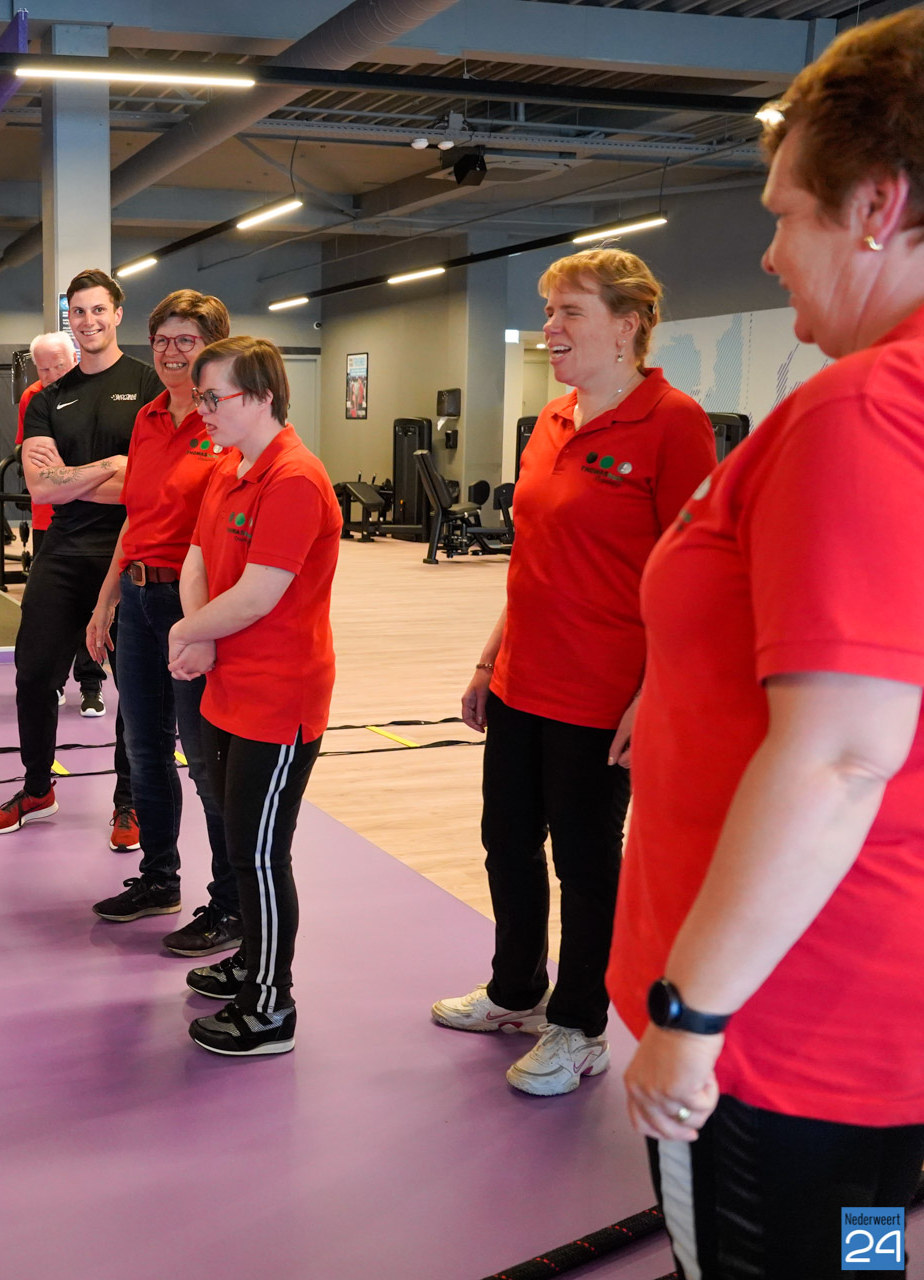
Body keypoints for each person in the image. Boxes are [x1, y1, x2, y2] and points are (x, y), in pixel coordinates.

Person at [611, 13, 924, 1273]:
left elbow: (844, 753)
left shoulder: (866, 409)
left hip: (781, 1030)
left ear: (877, 208)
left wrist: (692, 1013)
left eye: (788, 213)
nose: (769, 249)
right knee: (864, 1252)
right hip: (873, 1026)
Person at [431, 248, 716, 1097]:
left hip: (602, 695)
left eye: (569, 312)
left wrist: (654, 696)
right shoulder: (553, 419)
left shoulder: (673, 422)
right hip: (522, 680)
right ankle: (516, 991)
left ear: (627, 326)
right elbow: (536, 559)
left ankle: (581, 1027)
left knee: (586, 867)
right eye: (549, 310)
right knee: (507, 844)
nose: (549, 327)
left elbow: (697, 580)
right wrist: (490, 657)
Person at [167, 337, 340, 1056]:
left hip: (278, 697)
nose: (202, 410)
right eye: (200, 397)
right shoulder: (228, 467)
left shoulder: (295, 479)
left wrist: (189, 631)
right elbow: (198, 560)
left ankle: (271, 1006)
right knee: (240, 845)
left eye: (215, 397)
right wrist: (203, 637)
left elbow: (260, 594)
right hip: (227, 687)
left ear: (264, 396)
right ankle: (250, 963)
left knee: (261, 854)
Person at [84, 290, 240, 954]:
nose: (171, 353)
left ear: (212, 348)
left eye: (186, 341)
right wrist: (106, 600)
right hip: (140, 599)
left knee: (204, 762)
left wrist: (202, 623)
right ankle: (158, 879)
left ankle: (230, 905)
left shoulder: (225, 422)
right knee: (144, 750)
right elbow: (136, 518)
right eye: (162, 341)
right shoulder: (147, 418)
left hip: (192, 605)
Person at [0, 269, 160, 844]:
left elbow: (150, 486)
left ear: (118, 314)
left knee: (135, 685)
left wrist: (75, 478)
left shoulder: (151, 387)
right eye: (78, 312)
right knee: (34, 672)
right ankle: (37, 789)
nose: (88, 321)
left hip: (130, 548)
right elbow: (42, 487)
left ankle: (130, 801)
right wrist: (113, 467)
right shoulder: (48, 398)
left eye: (98, 309)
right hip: (62, 551)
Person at [18, 331, 111, 722]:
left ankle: (91, 685)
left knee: (97, 609)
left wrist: (68, 476)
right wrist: (92, 472)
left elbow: (126, 472)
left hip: (103, 522)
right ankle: (54, 682)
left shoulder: (100, 393)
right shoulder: (36, 399)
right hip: (51, 521)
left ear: (73, 357)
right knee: (53, 615)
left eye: (58, 365)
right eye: (43, 369)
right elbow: (41, 474)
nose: (52, 374)